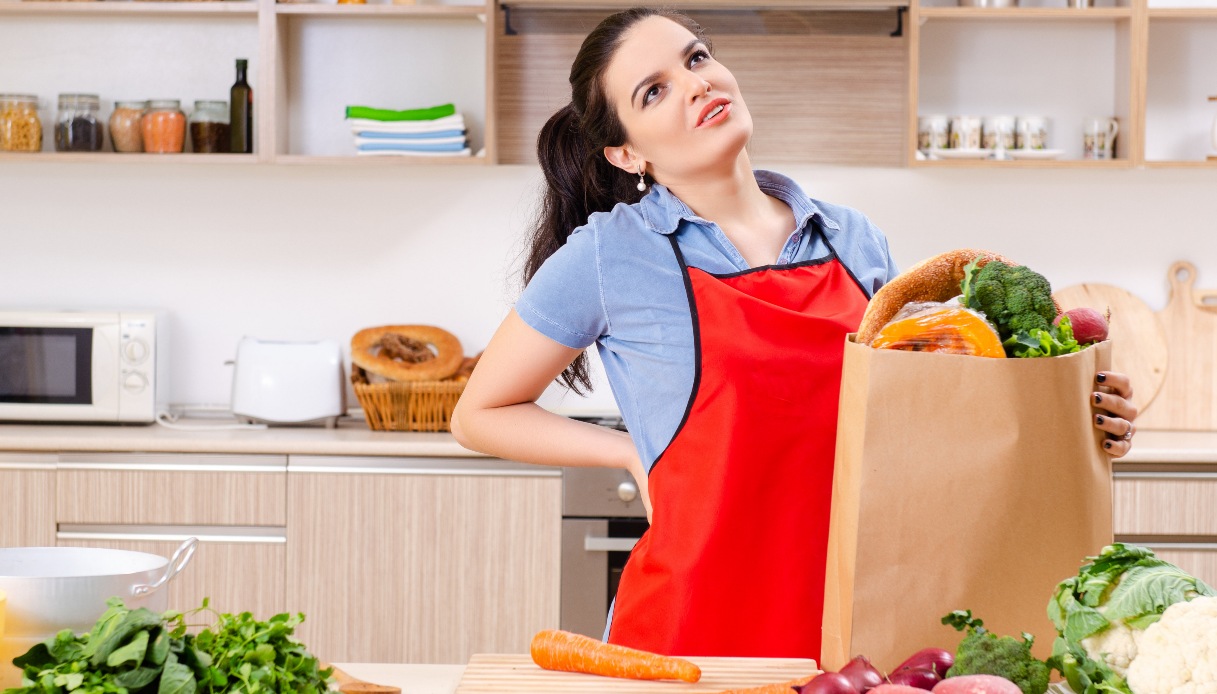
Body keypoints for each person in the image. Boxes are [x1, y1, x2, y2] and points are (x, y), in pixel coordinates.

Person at [450, 7, 1138, 660]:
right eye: (654, 91)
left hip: (854, 617)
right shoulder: (610, 255)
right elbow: (480, 413)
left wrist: (1076, 414)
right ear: (627, 153)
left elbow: (929, 419)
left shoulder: (853, 240)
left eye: (696, 58)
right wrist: (629, 454)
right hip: (686, 632)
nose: (696, 84)